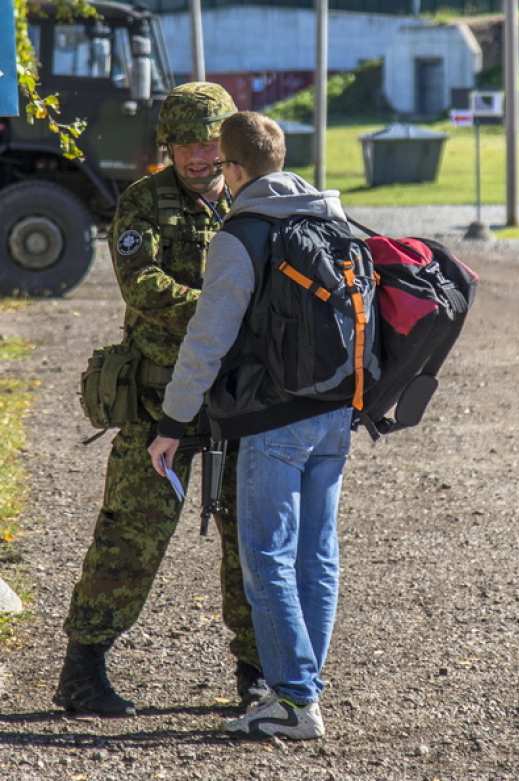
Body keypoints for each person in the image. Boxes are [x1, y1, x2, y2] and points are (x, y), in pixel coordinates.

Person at [54, 84, 266, 718]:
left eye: (211, 143)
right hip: (157, 403)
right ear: (167, 147)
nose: (201, 157)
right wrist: (219, 314)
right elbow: (142, 285)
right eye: (188, 145)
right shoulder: (143, 203)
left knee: (249, 541)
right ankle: (82, 672)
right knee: (129, 539)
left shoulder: (250, 199)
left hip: (232, 401)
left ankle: (255, 673)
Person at [148, 111, 354, 740]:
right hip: (338, 409)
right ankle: (304, 688)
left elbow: (208, 338)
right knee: (317, 553)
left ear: (233, 170)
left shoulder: (241, 233)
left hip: (276, 417)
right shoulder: (330, 216)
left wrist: (173, 421)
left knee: (266, 554)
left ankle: (293, 700)